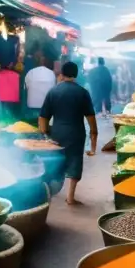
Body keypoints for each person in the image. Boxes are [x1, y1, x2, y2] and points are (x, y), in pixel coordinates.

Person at [39, 62, 99, 206]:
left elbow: (43, 117)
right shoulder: (83, 93)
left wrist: (46, 136)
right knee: (75, 162)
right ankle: (70, 197)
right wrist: (93, 147)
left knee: (55, 162)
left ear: (62, 74)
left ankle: (47, 194)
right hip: (76, 134)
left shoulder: (53, 91)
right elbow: (91, 120)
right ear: (76, 75)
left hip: (57, 133)